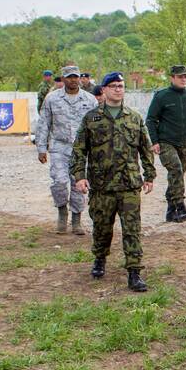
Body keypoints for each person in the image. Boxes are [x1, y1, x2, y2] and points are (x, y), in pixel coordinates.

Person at [70, 72, 155, 292]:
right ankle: (100, 258)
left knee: (132, 229)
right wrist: (79, 176)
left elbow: (145, 148)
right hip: (102, 186)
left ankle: (134, 271)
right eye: (114, 86)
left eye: (121, 86)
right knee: (102, 227)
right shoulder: (92, 118)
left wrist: (150, 175)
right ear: (105, 90)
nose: (118, 89)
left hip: (128, 184)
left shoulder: (134, 117)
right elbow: (79, 149)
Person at [35, 64, 98, 234]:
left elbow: (97, 126)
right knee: (59, 182)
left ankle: (76, 220)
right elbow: (44, 123)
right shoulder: (52, 99)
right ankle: (62, 213)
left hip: (81, 149)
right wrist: (41, 148)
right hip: (59, 147)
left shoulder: (89, 100)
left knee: (79, 185)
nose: (73, 80)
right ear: (63, 79)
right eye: (69, 77)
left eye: (76, 76)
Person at [145, 64, 186, 222]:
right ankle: (180, 206)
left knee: (177, 176)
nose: (183, 79)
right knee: (176, 170)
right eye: (180, 77)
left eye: (185, 76)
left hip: (184, 143)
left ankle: (171, 210)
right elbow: (151, 119)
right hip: (166, 142)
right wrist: (154, 141)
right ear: (172, 78)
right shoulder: (162, 96)